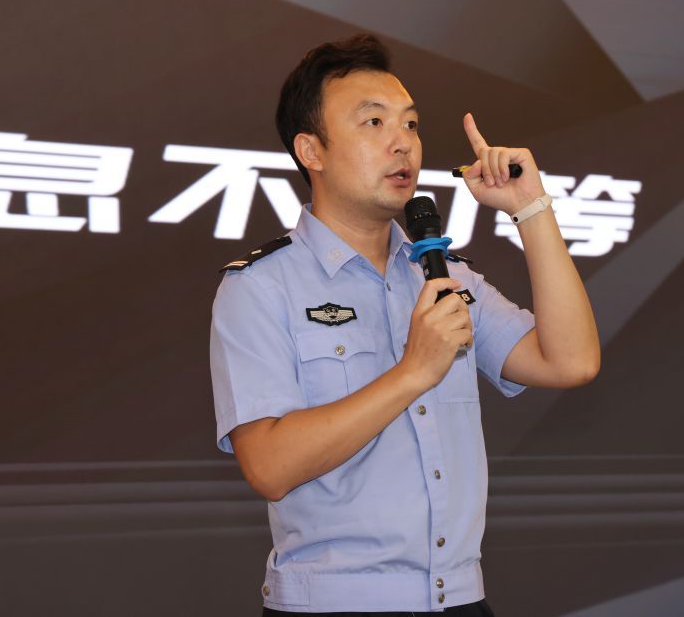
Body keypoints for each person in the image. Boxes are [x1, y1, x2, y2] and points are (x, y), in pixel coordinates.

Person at [210, 34, 600, 615]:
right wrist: (414, 371)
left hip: (460, 599)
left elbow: (571, 361)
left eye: (411, 125)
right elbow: (268, 467)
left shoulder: (443, 274)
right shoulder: (261, 286)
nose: (404, 144)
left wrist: (531, 207)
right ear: (311, 150)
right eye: (374, 122)